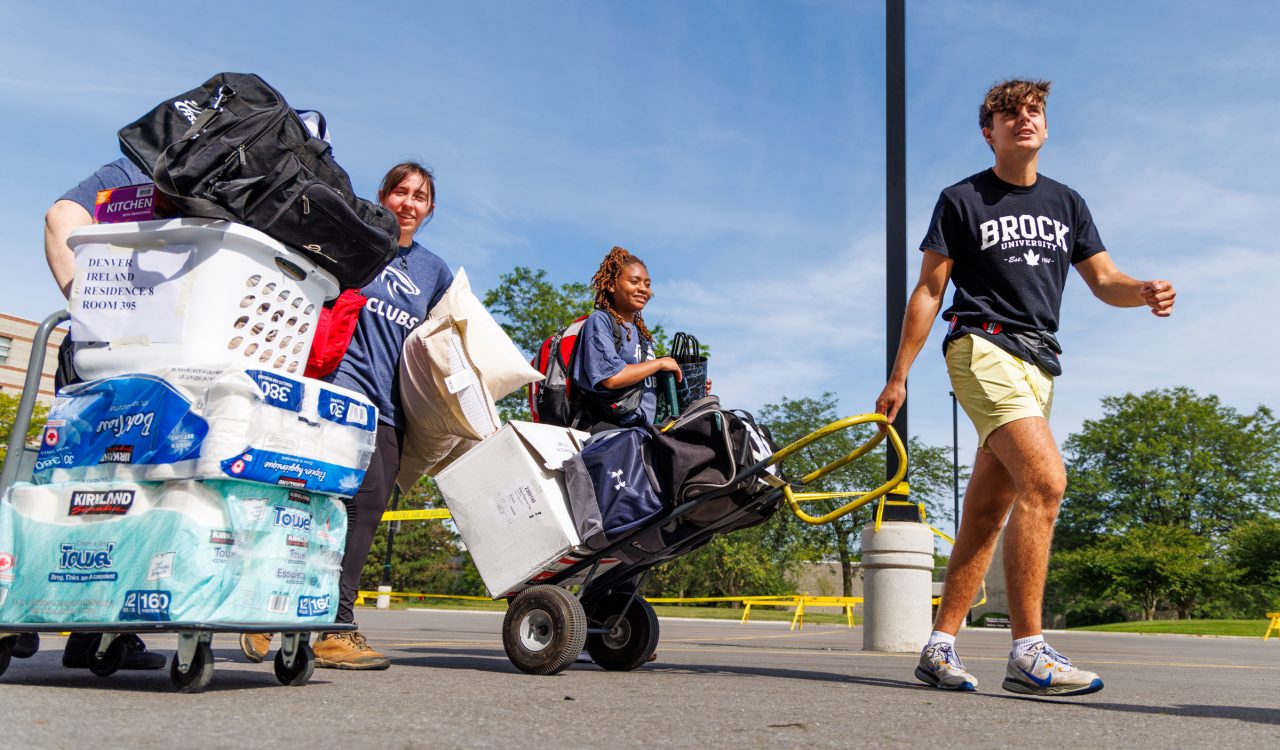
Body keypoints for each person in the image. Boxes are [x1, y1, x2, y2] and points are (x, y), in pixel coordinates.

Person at [875, 79, 1175, 696]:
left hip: (1039, 364)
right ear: (989, 131)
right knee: (1046, 481)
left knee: (988, 512)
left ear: (1045, 125)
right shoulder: (961, 199)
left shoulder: (1068, 203)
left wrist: (1139, 290)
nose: (1023, 119)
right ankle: (1028, 652)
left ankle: (939, 646)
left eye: (1033, 110)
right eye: (1009, 113)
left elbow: (1105, 279)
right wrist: (899, 373)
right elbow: (930, 290)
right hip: (981, 347)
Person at [241, 161, 452, 670]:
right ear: (382, 197)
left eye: (420, 196)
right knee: (320, 499)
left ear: (430, 209)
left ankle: (293, 614)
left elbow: (443, 342)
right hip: (337, 388)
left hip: (390, 406)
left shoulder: (434, 271)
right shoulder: (354, 241)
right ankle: (315, 621)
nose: (408, 203)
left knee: (368, 507)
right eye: (400, 192)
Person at [13, 157, 169, 671]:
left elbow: (62, 216)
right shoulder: (142, 175)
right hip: (147, 360)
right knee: (132, 493)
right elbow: (62, 216)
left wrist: (91, 314)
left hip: (101, 354)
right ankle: (91, 629)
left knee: (69, 483)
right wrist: (94, 312)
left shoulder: (135, 173)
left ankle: (39, 613)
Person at [571, 246, 687, 429]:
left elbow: (650, 389)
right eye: (634, 282)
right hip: (608, 429)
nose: (643, 289)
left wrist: (688, 386)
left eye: (647, 285)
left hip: (643, 431)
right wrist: (660, 363)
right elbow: (611, 378)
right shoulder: (600, 321)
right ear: (610, 285)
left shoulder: (643, 336)